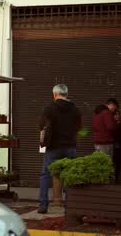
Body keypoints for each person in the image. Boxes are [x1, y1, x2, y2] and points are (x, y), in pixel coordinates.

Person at [38, 84, 82, 214]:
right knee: (70, 175)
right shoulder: (75, 109)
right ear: (66, 94)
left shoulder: (49, 108)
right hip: (70, 147)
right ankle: (70, 205)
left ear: (55, 94)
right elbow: (79, 127)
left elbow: (41, 125)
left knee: (46, 175)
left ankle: (43, 205)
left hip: (53, 147)